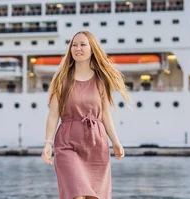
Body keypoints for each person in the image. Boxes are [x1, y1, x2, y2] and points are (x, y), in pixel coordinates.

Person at [41, 30, 130, 199]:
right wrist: (47, 143)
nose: (78, 48)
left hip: (96, 144)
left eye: (83, 44)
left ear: (92, 49)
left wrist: (116, 142)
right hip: (67, 144)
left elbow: (105, 115)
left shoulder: (101, 79)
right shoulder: (61, 79)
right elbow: (53, 114)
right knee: (76, 194)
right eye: (74, 45)